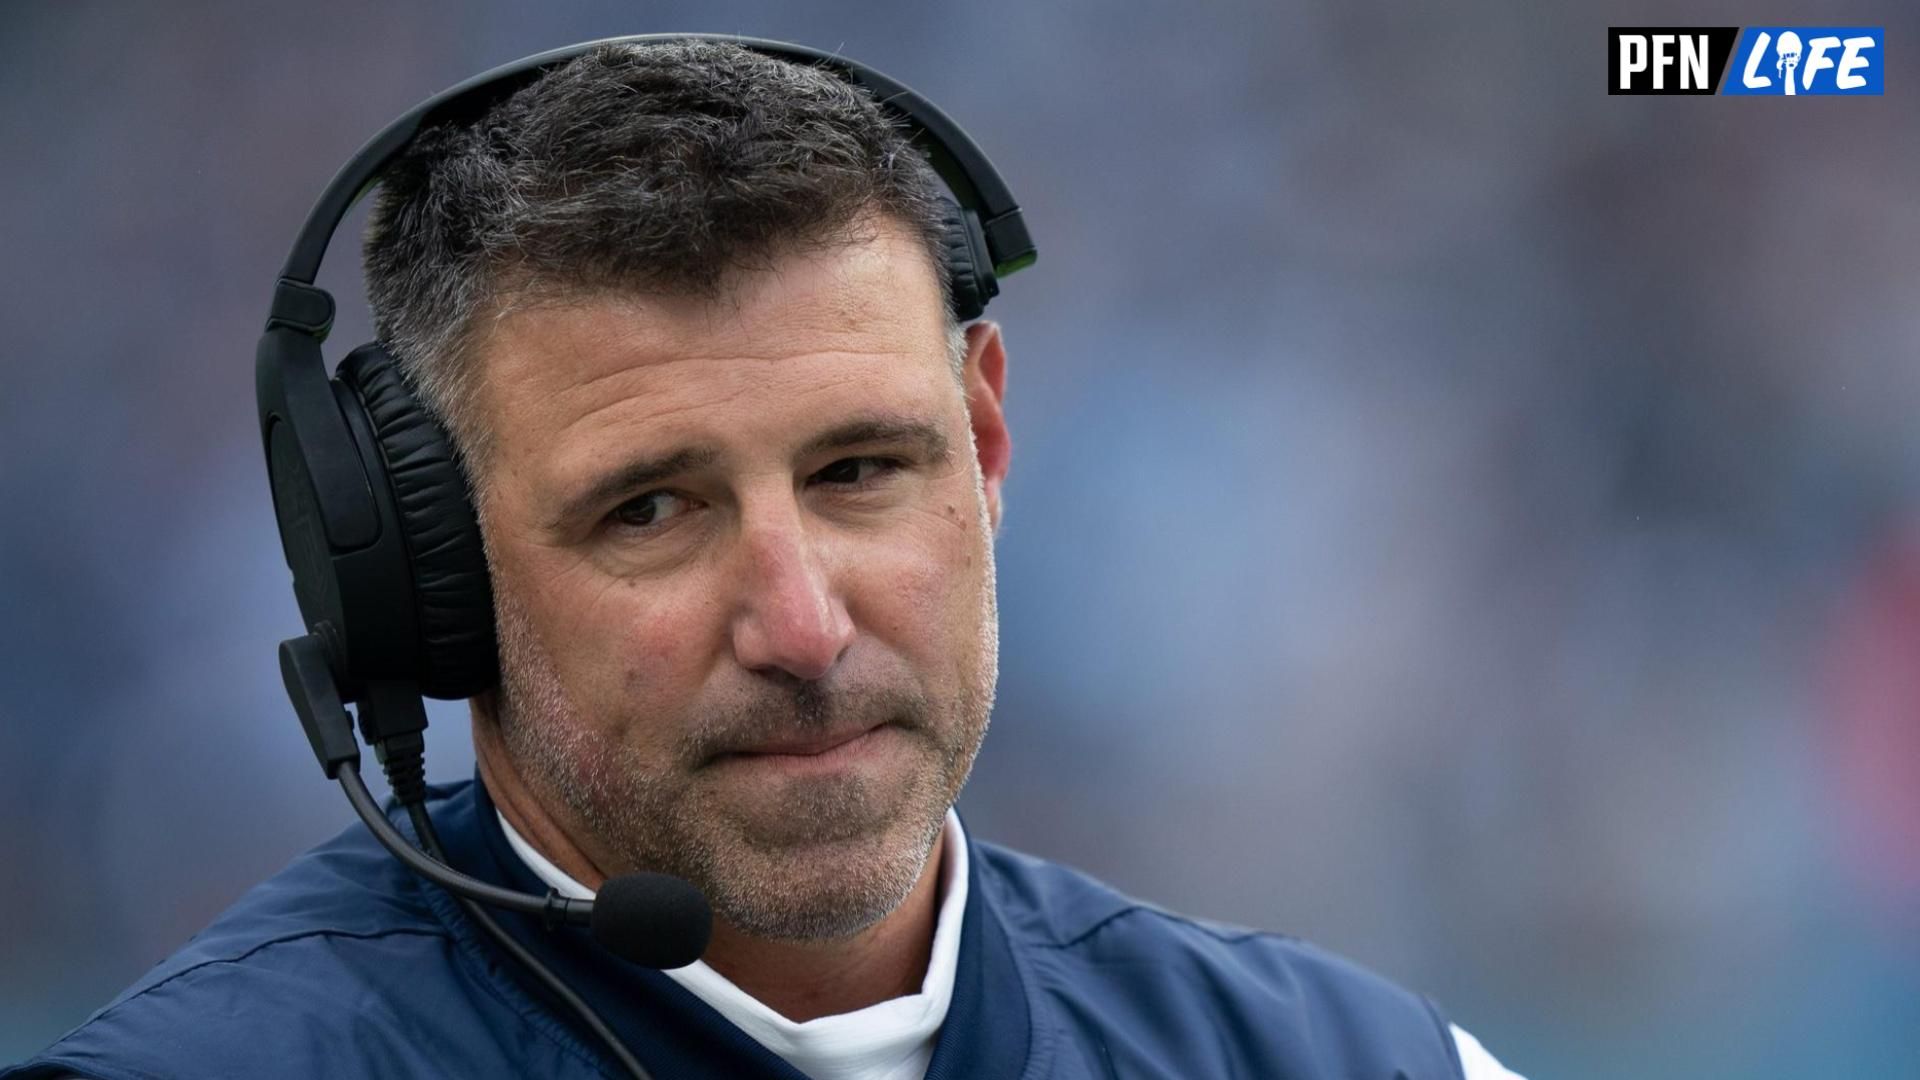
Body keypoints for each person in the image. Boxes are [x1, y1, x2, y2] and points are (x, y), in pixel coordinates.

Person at [6, 39, 1525, 1080]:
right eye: (649, 512)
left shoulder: (1359, 1059)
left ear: (985, 448)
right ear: (430, 568)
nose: (801, 628)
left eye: (861, 471)